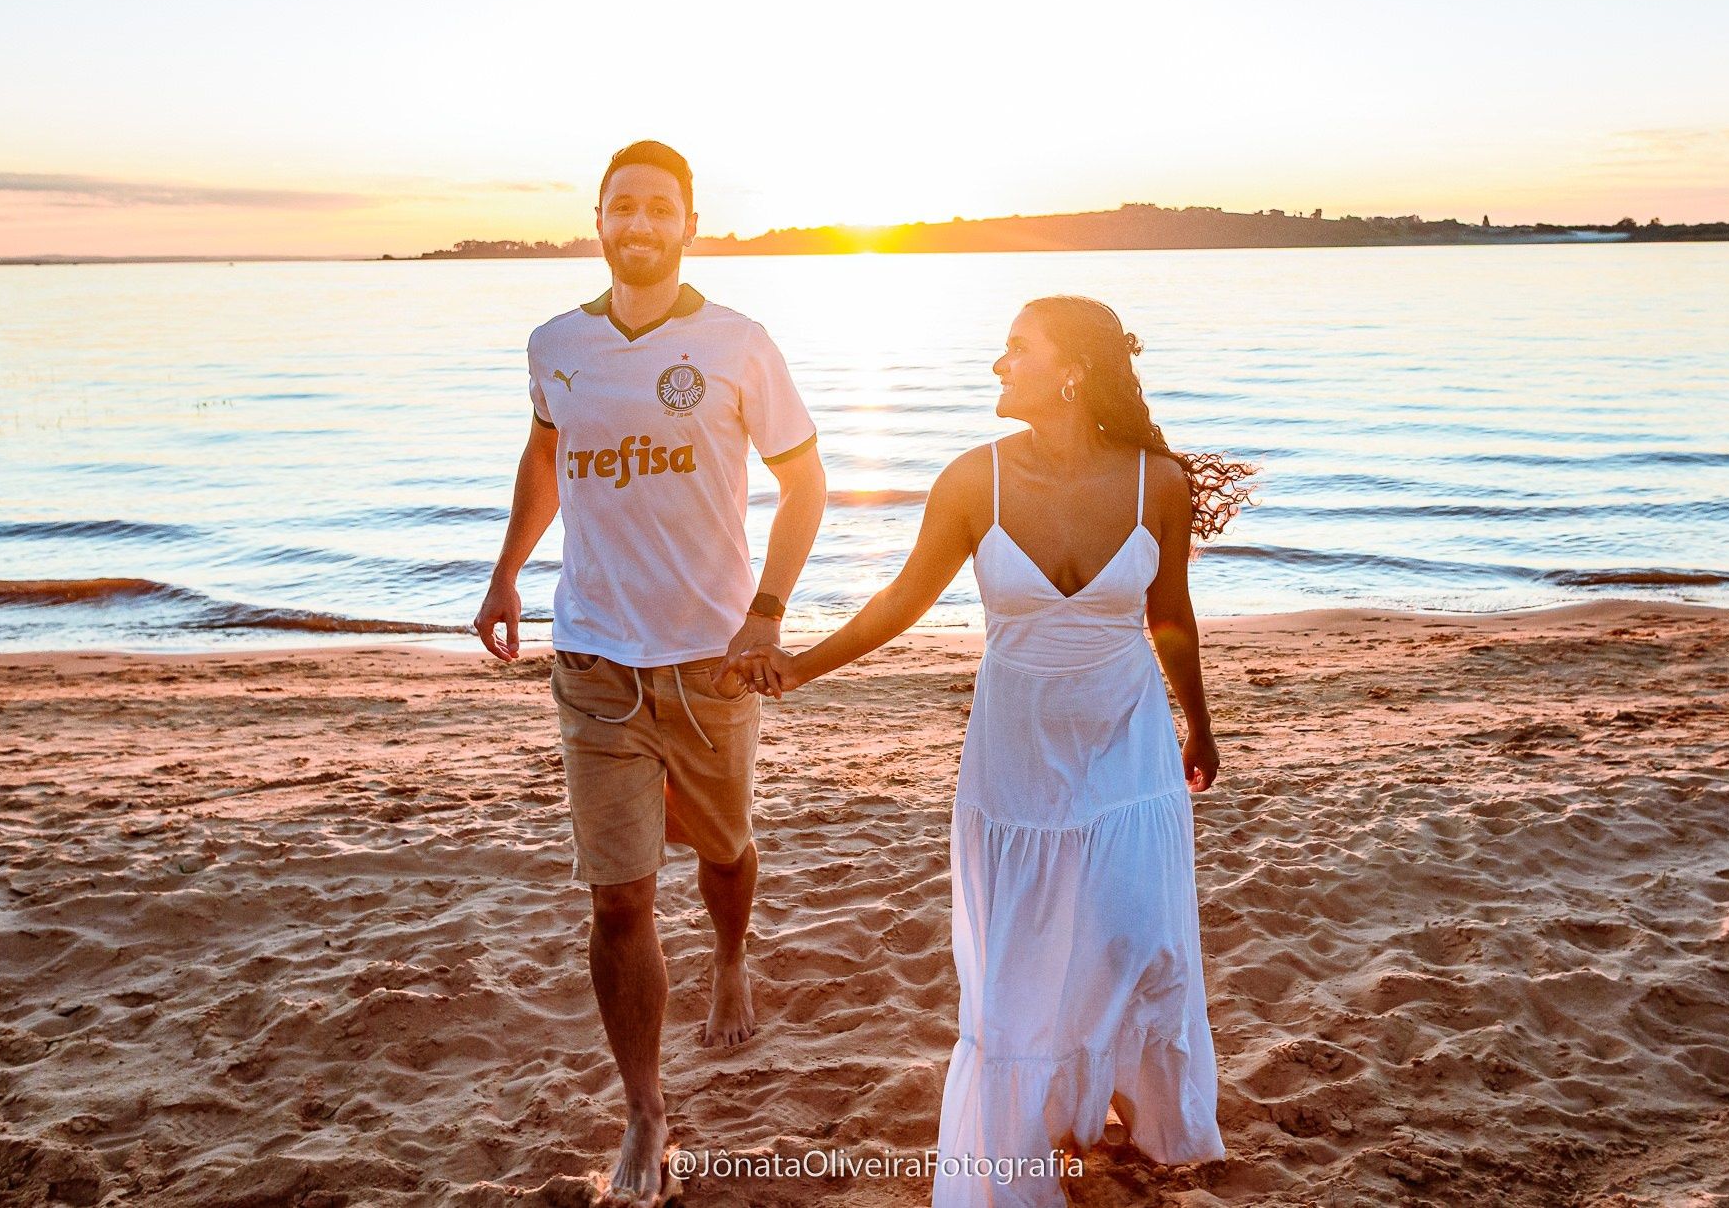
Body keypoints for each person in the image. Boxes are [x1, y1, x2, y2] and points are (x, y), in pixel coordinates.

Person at [738, 295, 1252, 1207]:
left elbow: (1170, 619)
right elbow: (900, 602)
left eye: (1016, 347)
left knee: (1135, 930)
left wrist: (1198, 723)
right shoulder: (973, 480)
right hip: (1015, 757)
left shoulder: (1154, 483)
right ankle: (1023, 1139)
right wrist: (800, 667)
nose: (996, 364)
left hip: (1127, 746)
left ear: (1072, 370)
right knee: (1018, 958)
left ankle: (1145, 1109)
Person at [474, 140, 827, 1208]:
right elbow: (546, 455)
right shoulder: (554, 343)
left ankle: (729, 953)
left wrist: (766, 613)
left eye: (657, 208)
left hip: (710, 662)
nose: (637, 223)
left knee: (724, 848)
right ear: (598, 218)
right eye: (620, 206)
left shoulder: (737, 343)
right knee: (618, 896)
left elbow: (805, 482)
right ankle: (645, 1108)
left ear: (686, 223)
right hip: (592, 661)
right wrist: (505, 575)